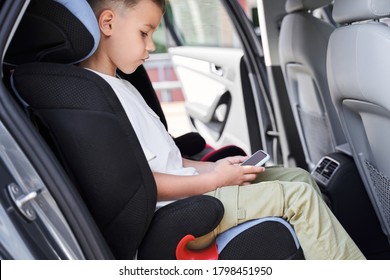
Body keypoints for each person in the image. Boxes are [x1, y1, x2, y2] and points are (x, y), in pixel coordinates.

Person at [81, 0, 365, 260]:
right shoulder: (94, 99)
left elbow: (169, 160)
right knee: (298, 198)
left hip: (190, 191)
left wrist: (214, 167)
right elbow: (140, 186)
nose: (152, 46)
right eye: (144, 33)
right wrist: (215, 180)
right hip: (177, 211)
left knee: (298, 176)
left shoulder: (122, 86)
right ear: (107, 24)